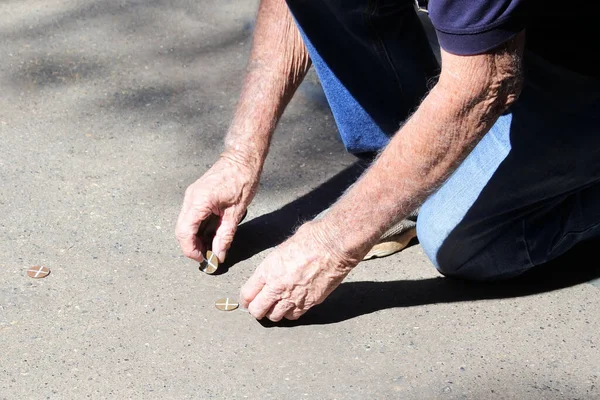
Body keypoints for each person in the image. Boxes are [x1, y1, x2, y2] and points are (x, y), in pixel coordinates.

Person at [175, 0, 598, 322]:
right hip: (518, 39)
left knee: (463, 243)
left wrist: (332, 243)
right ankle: (414, 178)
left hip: (574, 64)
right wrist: (240, 155)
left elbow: (484, 85)